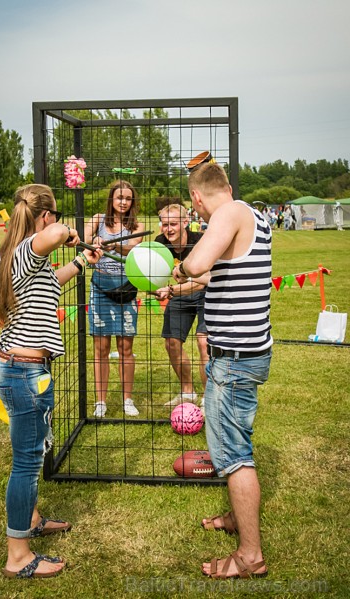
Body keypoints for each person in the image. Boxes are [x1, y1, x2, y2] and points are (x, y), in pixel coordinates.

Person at [0, 184, 102, 579]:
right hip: (22, 372)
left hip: (20, 368)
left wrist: (83, 259)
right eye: (53, 217)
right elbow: (53, 237)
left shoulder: (23, 256)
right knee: (26, 463)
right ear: (46, 216)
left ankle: (32, 518)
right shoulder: (29, 247)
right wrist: (70, 232)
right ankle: (18, 555)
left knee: (30, 453)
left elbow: (50, 282)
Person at [173, 162, 272, 581]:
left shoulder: (228, 213)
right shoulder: (255, 217)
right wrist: (180, 289)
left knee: (234, 456)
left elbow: (196, 263)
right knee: (237, 441)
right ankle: (236, 516)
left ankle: (250, 556)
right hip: (245, 354)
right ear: (226, 185)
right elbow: (221, 272)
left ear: (197, 198)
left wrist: (179, 270)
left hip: (233, 358)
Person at [84, 180, 145, 418]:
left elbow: (131, 249)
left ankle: (127, 400)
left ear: (133, 202)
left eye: (128, 198)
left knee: (125, 347)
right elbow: (84, 240)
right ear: (112, 199)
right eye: (120, 198)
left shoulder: (136, 224)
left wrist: (113, 246)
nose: (124, 202)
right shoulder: (98, 219)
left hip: (125, 289)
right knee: (100, 347)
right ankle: (101, 401)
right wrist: (93, 242)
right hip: (100, 286)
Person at [153, 204, 208, 409]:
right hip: (179, 293)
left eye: (174, 224)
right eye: (165, 224)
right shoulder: (159, 243)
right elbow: (154, 276)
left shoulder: (201, 240)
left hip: (205, 293)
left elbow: (205, 279)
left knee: (204, 342)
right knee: (171, 343)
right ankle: (188, 392)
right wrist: (156, 289)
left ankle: (207, 398)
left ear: (185, 222)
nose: (169, 229)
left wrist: (173, 291)